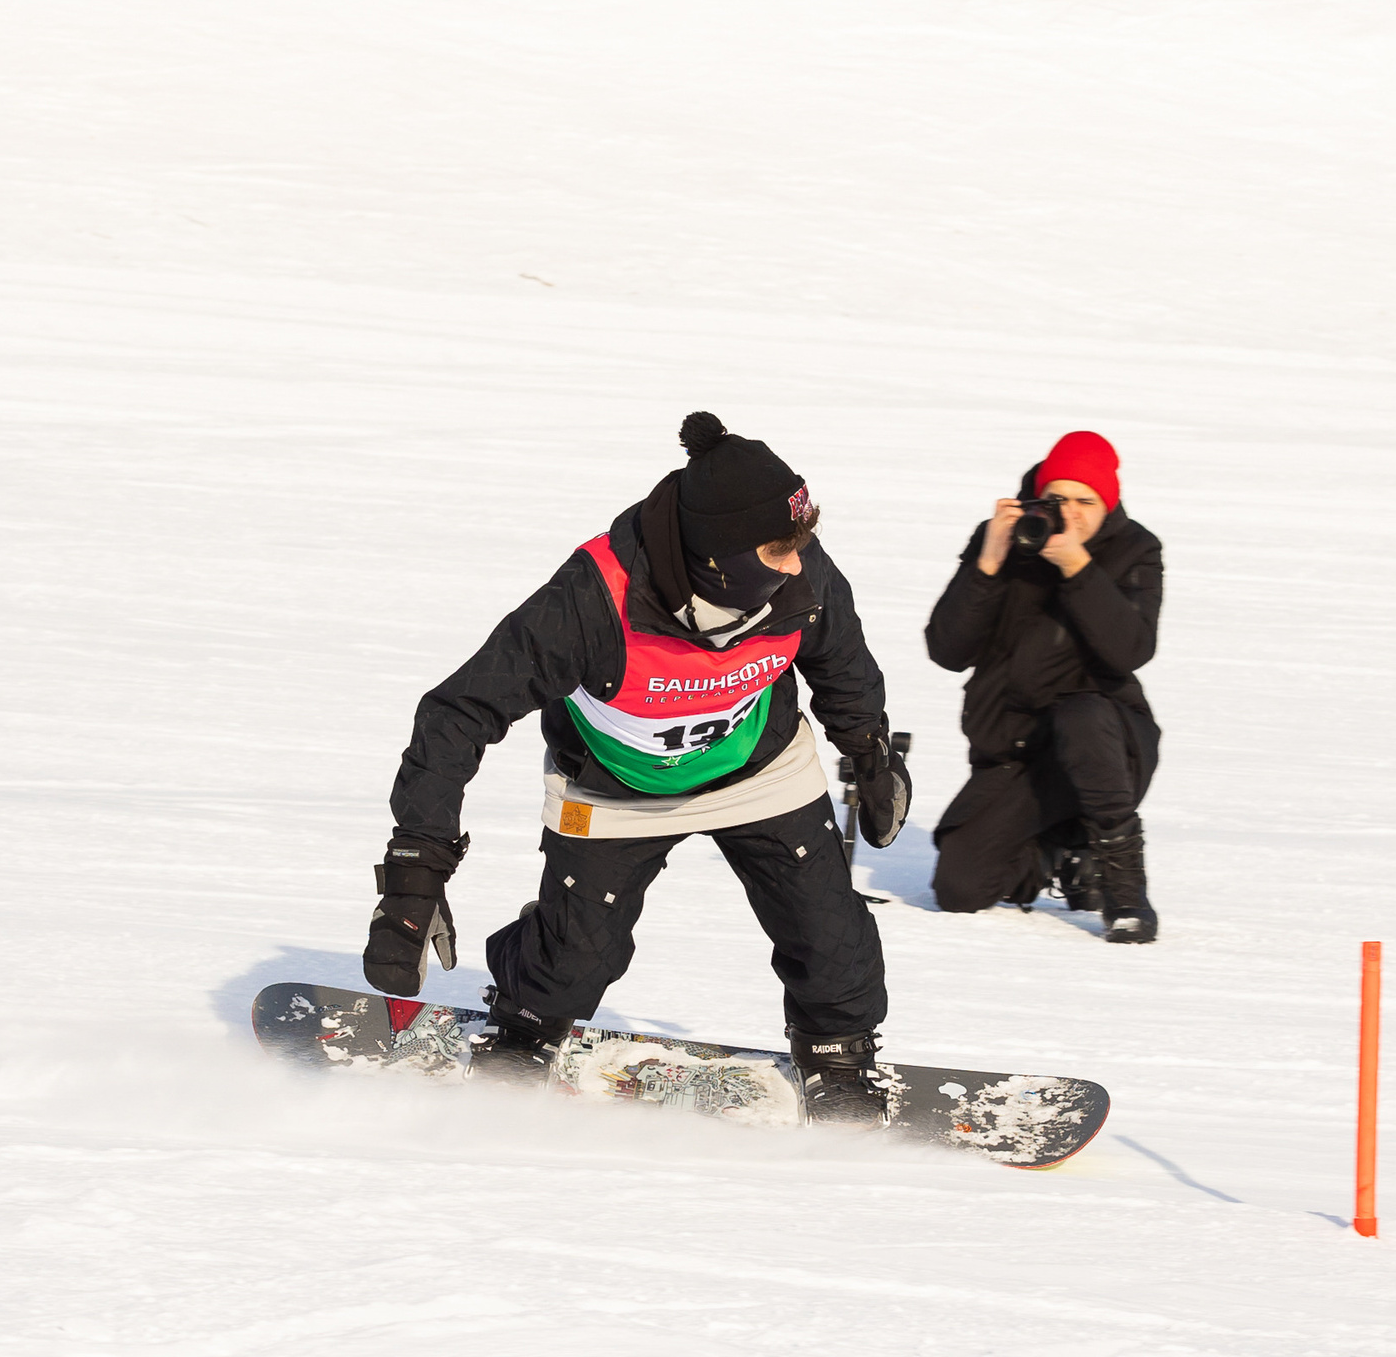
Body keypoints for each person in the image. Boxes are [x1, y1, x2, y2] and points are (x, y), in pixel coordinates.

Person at [360, 412, 911, 1120]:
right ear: (718, 555)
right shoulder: (591, 599)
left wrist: (869, 752)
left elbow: (842, 660)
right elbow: (458, 711)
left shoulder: (801, 577)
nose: (800, 562)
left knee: (830, 933)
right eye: (780, 548)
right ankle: (528, 1020)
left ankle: (838, 1053)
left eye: (802, 543)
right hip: (615, 789)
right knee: (569, 967)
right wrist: (414, 875)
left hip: (760, 771)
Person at [924, 429, 1163, 941]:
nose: (1069, 513)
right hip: (1018, 752)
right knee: (960, 888)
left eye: (1085, 501)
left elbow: (1130, 650)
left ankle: (1124, 887)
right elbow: (947, 650)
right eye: (1057, 499)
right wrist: (986, 564)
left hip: (1109, 751)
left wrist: (1079, 569)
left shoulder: (1135, 550)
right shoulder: (1008, 538)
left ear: (1108, 504)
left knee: (1082, 713)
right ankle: (1062, 850)